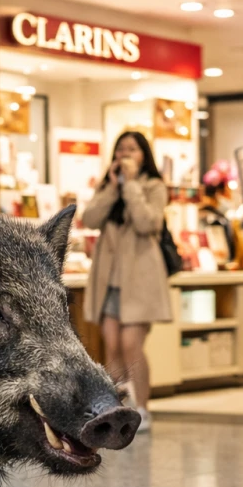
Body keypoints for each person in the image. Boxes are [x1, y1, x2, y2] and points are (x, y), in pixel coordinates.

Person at [81, 130, 172, 431]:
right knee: (112, 345)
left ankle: (143, 408)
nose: (125, 155)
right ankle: (116, 408)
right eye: (121, 149)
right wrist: (112, 188)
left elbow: (148, 222)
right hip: (109, 281)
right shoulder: (108, 186)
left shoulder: (154, 186)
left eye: (132, 149)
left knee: (132, 344)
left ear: (144, 155)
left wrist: (131, 185)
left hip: (140, 281)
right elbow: (89, 219)